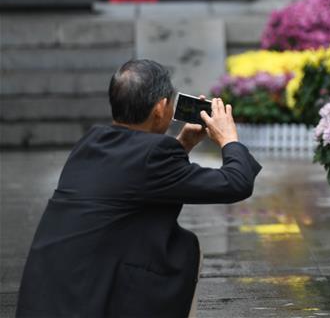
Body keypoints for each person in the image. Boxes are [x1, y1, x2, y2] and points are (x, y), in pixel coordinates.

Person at [16, 60, 262, 318]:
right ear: (160, 109)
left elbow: (136, 175)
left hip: (46, 298)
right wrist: (228, 139)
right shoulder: (154, 156)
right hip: (89, 303)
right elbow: (236, 183)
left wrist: (183, 143)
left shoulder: (90, 142)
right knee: (183, 247)